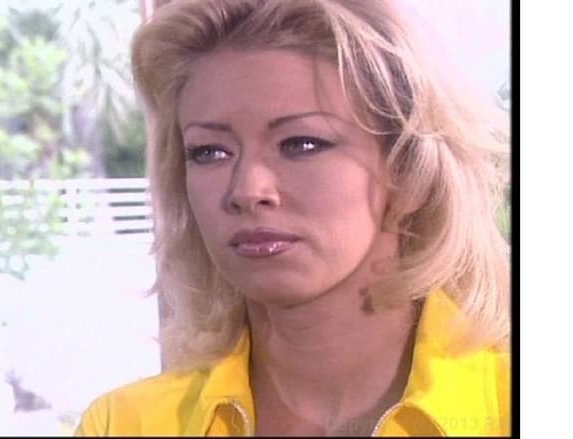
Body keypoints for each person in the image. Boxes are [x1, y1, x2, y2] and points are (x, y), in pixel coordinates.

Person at [76, 0, 510, 436]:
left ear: (410, 170)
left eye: (301, 143)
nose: (247, 190)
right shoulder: (125, 424)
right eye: (210, 152)